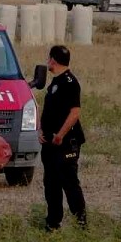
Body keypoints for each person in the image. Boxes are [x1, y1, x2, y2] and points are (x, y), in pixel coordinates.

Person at [39, 44, 87, 231]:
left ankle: (80, 222)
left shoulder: (70, 82)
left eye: (48, 58)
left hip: (65, 143)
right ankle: (53, 222)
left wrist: (60, 135)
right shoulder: (55, 83)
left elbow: (74, 112)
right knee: (51, 184)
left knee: (69, 183)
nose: (47, 61)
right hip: (50, 142)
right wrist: (41, 131)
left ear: (53, 60)